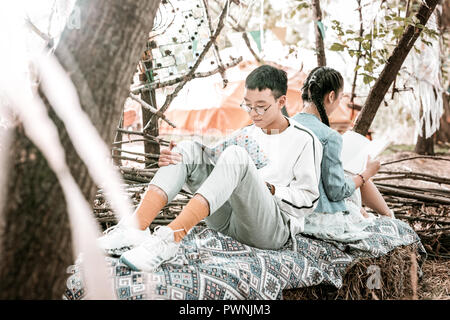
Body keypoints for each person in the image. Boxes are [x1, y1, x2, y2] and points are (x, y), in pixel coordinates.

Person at [98, 65, 323, 272]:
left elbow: (309, 199)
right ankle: (135, 228)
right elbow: (211, 170)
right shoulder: (246, 133)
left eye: (262, 107)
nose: (254, 113)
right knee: (187, 149)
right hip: (229, 222)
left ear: (282, 101)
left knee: (237, 156)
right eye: (248, 105)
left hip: (269, 229)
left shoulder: (304, 140)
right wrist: (177, 160)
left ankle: (169, 240)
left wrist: (271, 189)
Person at [293, 66, 394, 242]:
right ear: (331, 96)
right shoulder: (329, 137)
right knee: (356, 173)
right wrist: (367, 173)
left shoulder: (286, 125)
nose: (339, 103)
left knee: (350, 173)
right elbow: (336, 192)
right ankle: (388, 217)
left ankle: (384, 214)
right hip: (318, 217)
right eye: (340, 98)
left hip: (292, 209)